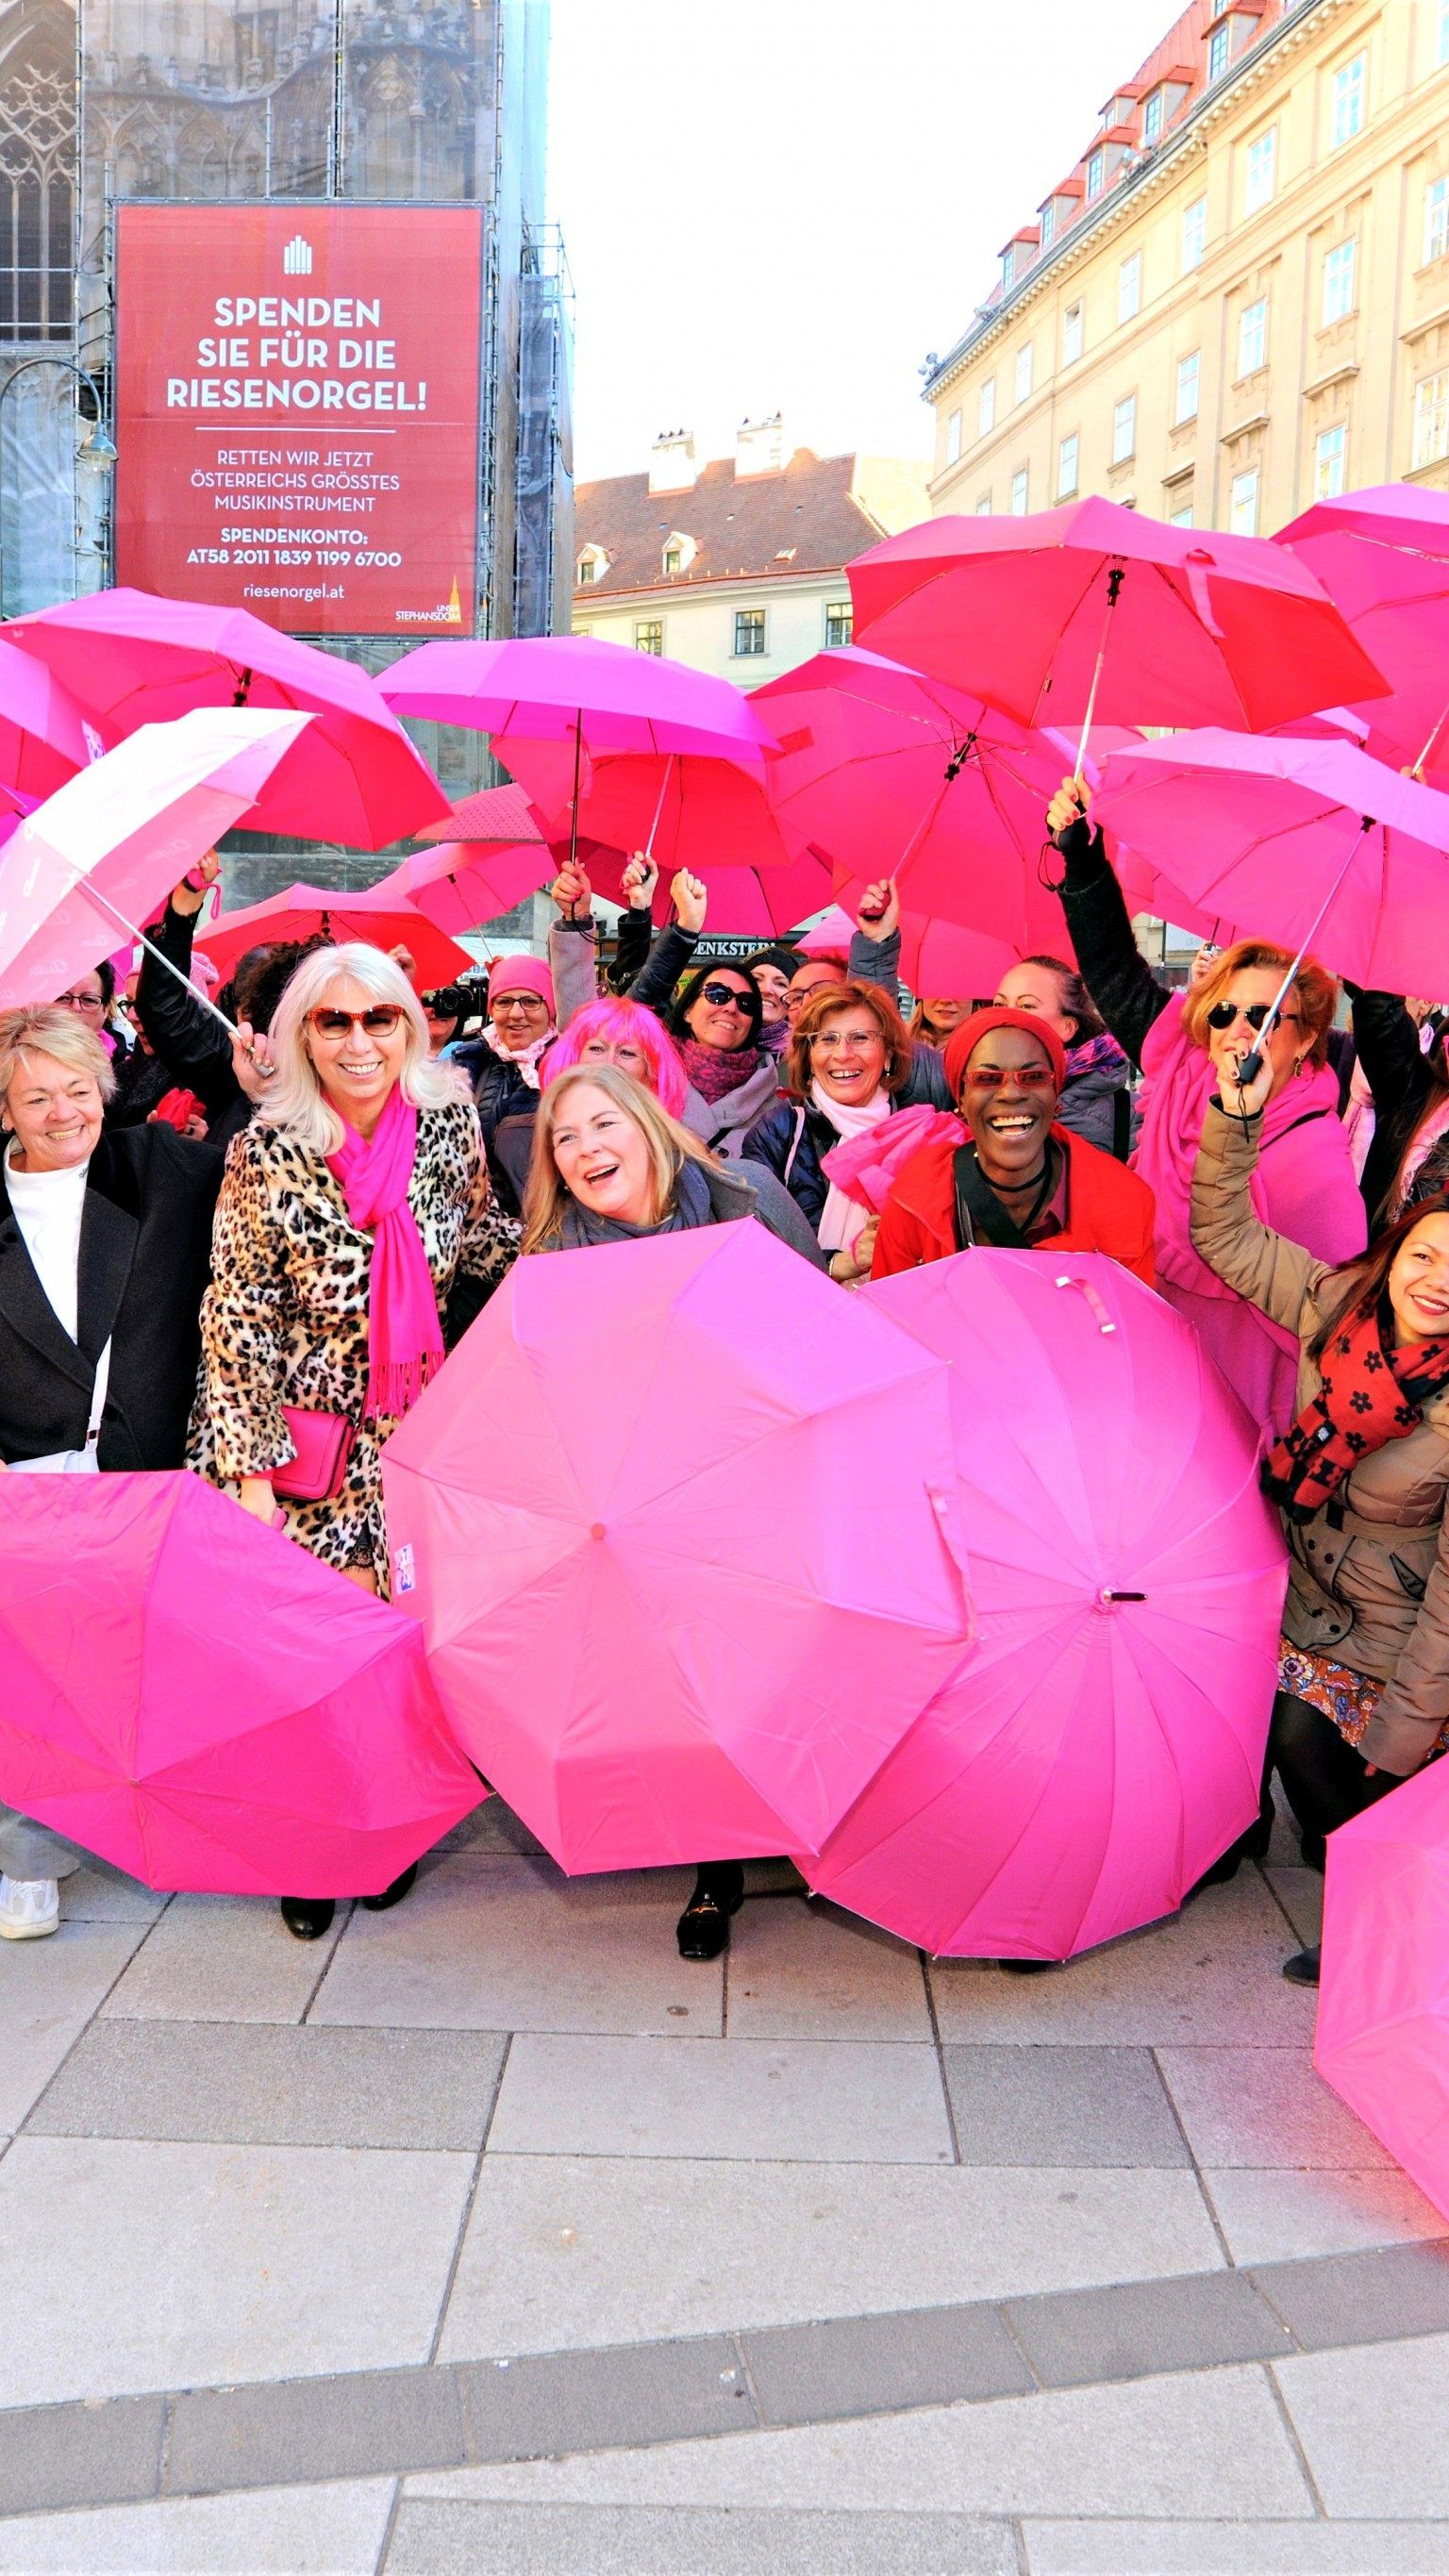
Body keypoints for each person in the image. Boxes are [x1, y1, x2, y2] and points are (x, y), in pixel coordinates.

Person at [192, 942, 518, 1942]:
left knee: (400, 1654)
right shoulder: (267, 1146)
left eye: (378, 1017)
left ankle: (382, 1828)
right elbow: (236, 1308)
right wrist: (247, 1469)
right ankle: (310, 1843)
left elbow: (479, 1245)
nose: (358, 1039)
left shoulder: (449, 1123)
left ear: (409, 1024)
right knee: (311, 1659)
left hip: (421, 1433)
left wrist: (597, 1249)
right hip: (304, 1445)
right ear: (302, 1033)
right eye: (333, 1020)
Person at [521, 1062, 826, 1960]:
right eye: (565, 1139)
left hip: (771, 1462)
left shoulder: (747, 1196)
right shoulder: (557, 1254)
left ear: (648, 1122)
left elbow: (820, 1322)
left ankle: (814, 1823)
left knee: (788, 1659)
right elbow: (558, 1393)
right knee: (692, 1682)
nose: (586, 1150)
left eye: (602, 1124)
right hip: (651, 1489)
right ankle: (716, 1861)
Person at [1191, 1055, 1449, 1986]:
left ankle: (1394, 1932)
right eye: (1425, 1254)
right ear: (1394, 1250)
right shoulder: (1334, 1303)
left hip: (1414, 1633)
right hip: (1315, 1598)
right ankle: (1362, 1908)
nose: (1438, 1283)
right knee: (1300, 1742)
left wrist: (1405, 1727)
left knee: (1383, 1779)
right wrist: (1236, 1112)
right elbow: (1222, 1233)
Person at [1046, 777, 1365, 1432]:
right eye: (1225, 1010)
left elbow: (1331, 1330)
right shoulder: (1185, 1069)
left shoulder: (1319, 1166)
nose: (1241, 1028)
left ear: (1307, 1038)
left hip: (1246, 1401)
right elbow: (1115, 972)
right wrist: (1081, 860)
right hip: (1147, 1360)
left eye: (1267, 1014)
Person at [0, 1002, 221, 1938]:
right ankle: (28, 1858)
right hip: (24, 1480)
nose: (63, 1112)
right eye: (37, 1096)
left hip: (142, 1471)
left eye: (78, 1089)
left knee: (142, 1667)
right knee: (32, 1683)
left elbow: (265, 1141)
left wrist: (237, 1063)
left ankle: (153, 1822)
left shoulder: (158, 1167)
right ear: (5, 1105)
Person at [871, 1005, 1157, 1284]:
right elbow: (886, 1325)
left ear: (1056, 1096)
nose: (1011, 1093)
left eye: (1033, 1077)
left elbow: (1132, 1326)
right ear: (961, 1100)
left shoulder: (1126, 1202)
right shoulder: (912, 1201)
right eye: (987, 1079)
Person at [743, 980, 952, 1280]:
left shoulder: (921, 1134)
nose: (843, 1054)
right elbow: (754, 1247)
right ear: (809, 1056)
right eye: (827, 1039)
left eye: (860, 1038)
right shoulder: (777, 1133)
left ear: (889, 1055)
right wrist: (837, 1263)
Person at [993, 957, 1134, 1157]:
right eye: (999, 1004)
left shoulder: (1131, 1117)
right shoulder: (972, 1095)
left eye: (1026, 1005)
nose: (1007, 1016)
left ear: (1067, 1026)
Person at [744, 948, 795, 1055]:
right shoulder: (713, 1037)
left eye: (780, 984)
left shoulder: (804, 1055)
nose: (767, 990)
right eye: (756, 979)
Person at [421, 984, 469, 1058]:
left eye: (448, 1000)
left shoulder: (470, 1055)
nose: (439, 1009)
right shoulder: (399, 1055)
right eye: (431, 999)